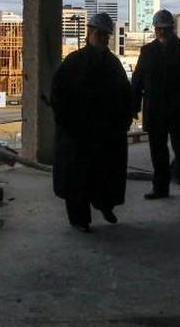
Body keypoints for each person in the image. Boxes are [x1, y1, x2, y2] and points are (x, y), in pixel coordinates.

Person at [50, 13, 134, 232]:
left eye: (106, 35)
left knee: (105, 174)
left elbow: (125, 96)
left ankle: (105, 205)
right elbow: (59, 95)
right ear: (90, 34)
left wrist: (123, 121)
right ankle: (80, 219)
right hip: (79, 133)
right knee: (78, 178)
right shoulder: (74, 62)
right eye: (100, 34)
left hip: (105, 132)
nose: (103, 38)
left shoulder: (113, 64)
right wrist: (67, 124)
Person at [132, 9, 180, 203]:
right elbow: (137, 80)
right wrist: (133, 105)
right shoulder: (147, 51)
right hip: (156, 111)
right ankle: (161, 188)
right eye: (159, 29)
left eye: (165, 28)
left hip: (178, 112)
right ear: (155, 29)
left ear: (171, 29)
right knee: (158, 153)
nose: (162, 32)